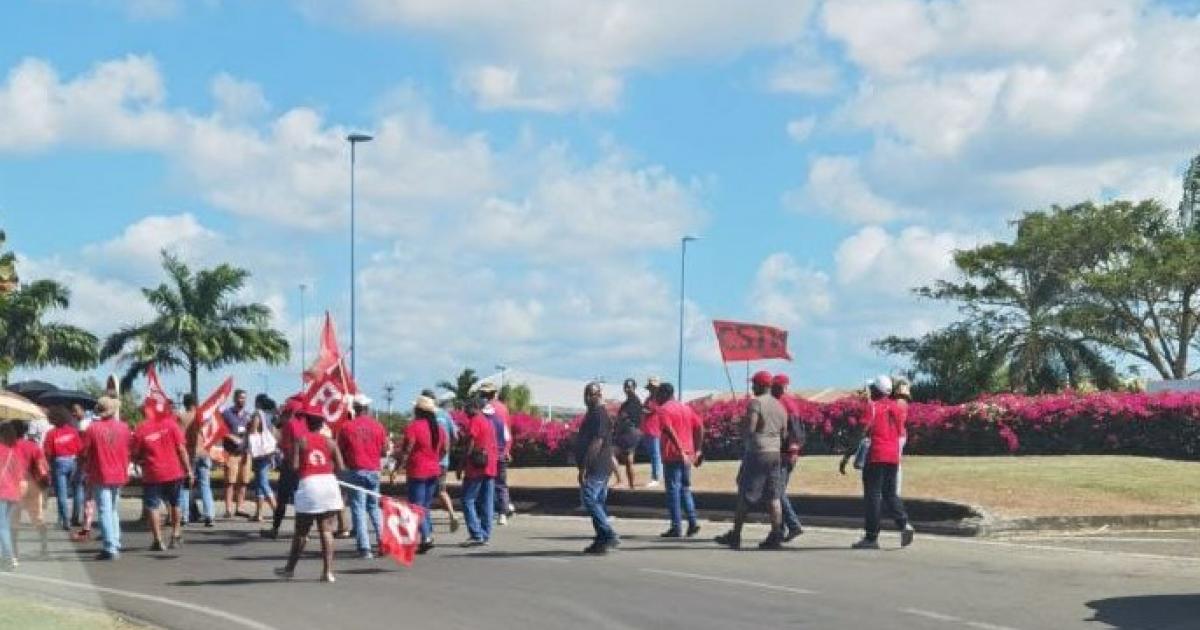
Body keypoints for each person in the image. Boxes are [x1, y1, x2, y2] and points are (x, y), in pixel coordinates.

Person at [840, 375, 915, 550]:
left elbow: (860, 433)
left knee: (873, 496)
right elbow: (900, 432)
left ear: (876, 390)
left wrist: (847, 456)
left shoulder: (872, 407)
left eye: (872, 388)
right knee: (890, 493)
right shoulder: (897, 408)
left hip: (876, 455)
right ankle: (904, 524)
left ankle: (871, 537)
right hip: (893, 456)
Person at [716, 371, 788, 550]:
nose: (752, 387)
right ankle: (776, 534)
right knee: (774, 496)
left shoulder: (756, 403)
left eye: (754, 384)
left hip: (757, 452)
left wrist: (739, 424)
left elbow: (750, 428)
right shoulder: (780, 406)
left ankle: (736, 534)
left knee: (745, 494)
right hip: (775, 453)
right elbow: (784, 433)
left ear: (761, 386)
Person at [276, 404, 346, 583]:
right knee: (326, 530)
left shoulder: (301, 440)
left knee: (301, 531)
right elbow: (341, 467)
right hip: (329, 484)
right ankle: (327, 572)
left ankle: (289, 569)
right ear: (322, 424)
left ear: (307, 422)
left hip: (310, 484)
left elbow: (294, 466)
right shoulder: (331, 442)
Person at [132, 402, 192, 551]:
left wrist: (139, 461)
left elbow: (135, 454)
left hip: (152, 473)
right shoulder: (171, 424)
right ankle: (176, 534)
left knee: (153, 506)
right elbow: (181, 449)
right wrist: (189, 470)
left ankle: (158, 540)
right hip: (173, 471)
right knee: (175, 503)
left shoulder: (141, 429)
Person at [80, 397, 132, 561]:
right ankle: (115, 541)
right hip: (119, 471)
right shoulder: (124, 428)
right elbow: (129, 448)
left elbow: (84, 452)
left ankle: (110, 546)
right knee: (113, 509)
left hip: (100, 472)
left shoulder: (92, 429)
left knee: (104, 510)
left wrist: (83, 467)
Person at [336, 394, 387, 559]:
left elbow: (340, 451)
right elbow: (384, 450)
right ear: (367, 409)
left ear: (355, 409)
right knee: (374, 507)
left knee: (358, 508)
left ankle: (364, 547)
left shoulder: (346, 427)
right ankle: (382, 542)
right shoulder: (378, 426)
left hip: (355, 470)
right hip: (373, 470)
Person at [398, 396, 448, 554]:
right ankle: (424, 535)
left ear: (417, 410)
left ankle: (426, 537)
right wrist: (435, 459)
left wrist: (399, 466)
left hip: (417, 471)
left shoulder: (413, 427)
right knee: (424, 506)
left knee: (416, 507)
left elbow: (407, 448)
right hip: (434, 470)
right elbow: (445, 448)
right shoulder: (439, 429)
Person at [576, 382, 618, 554]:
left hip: (597, 465)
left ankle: (608, 533)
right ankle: (601, 539)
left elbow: (598, 442)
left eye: (591, 394)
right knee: (598, 502)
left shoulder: (600, 414)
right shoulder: (593, 413)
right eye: (586, 394)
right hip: (600, 465)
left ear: (599, 395)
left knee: (589, 498)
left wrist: (585, 466)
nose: (587, 398)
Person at [656, 383, 702, 538]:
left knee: (673, 491)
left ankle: (676, 527)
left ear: (663, 394)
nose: (656, 398)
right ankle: (693, 522)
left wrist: (680, 449)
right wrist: (697, 450)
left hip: (673, 454)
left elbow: (669, 430)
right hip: (688, 454)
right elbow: (700, 426)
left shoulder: (664, 410)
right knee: (685, 489)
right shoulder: (686, 408)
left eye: (657, 394)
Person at [457, 397, 498, 546]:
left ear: (474, 407)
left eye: (466, 408)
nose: (465, 412)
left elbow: (470, 444)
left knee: (467, 499)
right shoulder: (488, 422)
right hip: (490, 466)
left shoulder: (475, 420)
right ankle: (485, 533)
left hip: (476, 466)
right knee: (487, 502)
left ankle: (476, 533)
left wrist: (461, 465)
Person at [264, 396, 306, 539]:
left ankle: (275, 529)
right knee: (301, 499)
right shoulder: (305, 424)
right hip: (305, 466)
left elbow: (285, 444)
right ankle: (302, 530)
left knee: (282, 498)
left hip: (290, 465)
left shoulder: (290, 424)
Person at [8, 419, 49, 560]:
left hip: (13, 486)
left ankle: (14, 552)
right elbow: (42, 468)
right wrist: (45, 485)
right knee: (38, 517)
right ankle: (44, 547)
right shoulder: (33, 446)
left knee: (13, 520)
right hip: (32, 484)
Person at [771, 373, 805, 541]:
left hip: (783, 453)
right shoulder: (786, 402)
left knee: (776, 492)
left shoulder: (783, 403)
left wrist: (793, 450)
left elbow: (795, 430)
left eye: (775, 386)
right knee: (778, 491)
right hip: (785, 452)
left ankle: (792, 524)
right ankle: (782, 528)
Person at [423, 390, 460, 533]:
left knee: (424, 492)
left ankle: (426, 526)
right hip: (443, 460)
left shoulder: (424, 417)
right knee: (441, 490)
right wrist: (449, 448)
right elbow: (456, 436)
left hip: (427, 460)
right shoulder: (446, 415)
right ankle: (452, 514)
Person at [478, 382, 514, 524]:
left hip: (486, 453)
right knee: (501, 483)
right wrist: (507, 450)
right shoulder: (502, 409)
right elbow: (507, 433)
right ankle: (503, 511)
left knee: (487, 483)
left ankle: (491, 511)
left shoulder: (481, 410)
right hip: (500, 452)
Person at [44, 407, 83, 531]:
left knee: (62, 492)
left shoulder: (51, 433)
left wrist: (49, 465)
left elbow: (47, 452)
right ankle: (75, 517)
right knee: (78, 489)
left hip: (59, 462)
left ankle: (64, 520)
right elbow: (80, 448)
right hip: (74, 461)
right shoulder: (73, 431)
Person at [220, 389, 253, 519]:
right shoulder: (227, 414)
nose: (242, 400)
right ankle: (228, 509)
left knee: (244, 481)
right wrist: (230, 436)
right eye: (240, 398)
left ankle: (240, 507)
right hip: (231, 453)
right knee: (230, 482)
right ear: (234, 399)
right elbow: (220, 430)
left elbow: (251, 432)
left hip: (245, 452)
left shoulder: (248, 415)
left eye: (244, 398)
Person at [0, 423, 27, 571]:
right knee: (5, 527)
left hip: (1, 492)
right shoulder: (14, 453)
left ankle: (9, 558)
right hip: (12, 494)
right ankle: (8, 556)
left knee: (1, 527)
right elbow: (20, 477)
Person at [244, 410, 278, 524]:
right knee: (259, 483)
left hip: (260, 453)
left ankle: (276, 510)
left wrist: (248, 430)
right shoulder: (271, 417)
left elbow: (253, 431)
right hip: (267, 452)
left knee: (263, 482)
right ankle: (258, 514)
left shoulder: (258, 415)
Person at [68, 403, 96, 536]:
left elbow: (83, 448)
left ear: (84, 410)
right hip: (89, 463)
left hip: (85, 463)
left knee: (86, 493)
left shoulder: (83, 426)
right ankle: (84, 522)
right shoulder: (88, 423)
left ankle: (84, 524)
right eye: (72, 411)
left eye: (76, 411)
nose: (74, 413)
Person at [614, 379, 643, 490]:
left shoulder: (635, 402)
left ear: (634, 388)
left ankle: (625, 482)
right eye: (625, 386)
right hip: (628, 432)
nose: (627, 389)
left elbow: (624, 418)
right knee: (627, 460)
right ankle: (631, 486)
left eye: (629, 386)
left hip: (631, 432)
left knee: (622, 457)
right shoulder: (626, 403)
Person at [641, 377, 663, 487]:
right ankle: (657, 476)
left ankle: (656, 478)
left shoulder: (659, 399)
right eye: (650, 387)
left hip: (655, 430)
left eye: (653, 387)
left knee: (656, 454)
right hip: (648, 430)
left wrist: (644, 410)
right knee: (653, 454)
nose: (651, 389)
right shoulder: (648, 398)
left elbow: (652, 411)